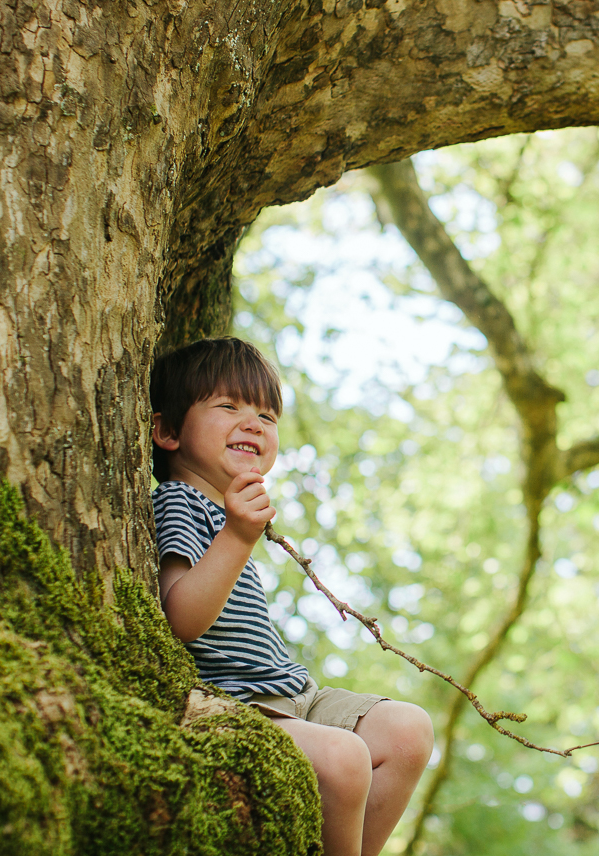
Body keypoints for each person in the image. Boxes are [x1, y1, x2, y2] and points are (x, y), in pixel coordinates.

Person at [150, 336, 434, 856]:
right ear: (168, 431)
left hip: (295, 694)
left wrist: (238, 529)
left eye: (267, 414)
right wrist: (236, 537)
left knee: (408, 730)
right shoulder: (179, 502)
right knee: (346, 759)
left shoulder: (233, 513)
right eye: (228, 406)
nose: (254, 423)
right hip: (236, 702)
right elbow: (180, 619)